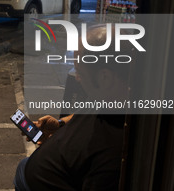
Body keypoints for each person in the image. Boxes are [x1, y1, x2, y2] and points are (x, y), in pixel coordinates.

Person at [14, 24, 133, 191]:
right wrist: (60, 124)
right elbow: (86, 112)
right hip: (37, 168)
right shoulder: (109, 93)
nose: (77, 78)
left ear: (105, 77)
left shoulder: (113, 153)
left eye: (80, 72)